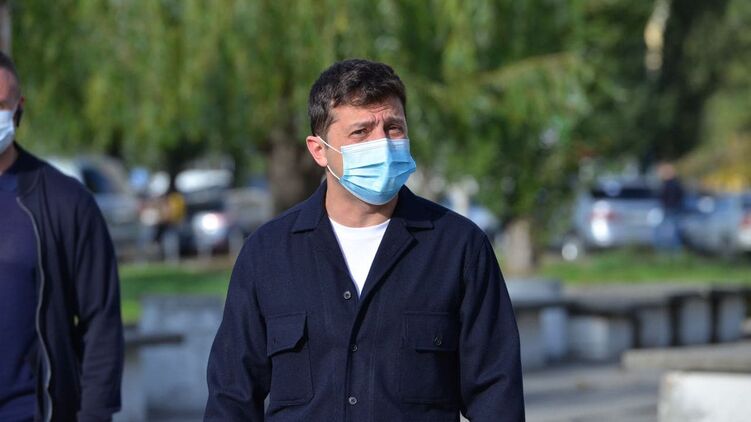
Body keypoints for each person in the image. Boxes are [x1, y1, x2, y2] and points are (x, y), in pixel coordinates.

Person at [205, 59, 524, 421]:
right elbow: (231, 396)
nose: (382, 144)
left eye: (393, 127)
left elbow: (496, 393)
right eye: (361, 132)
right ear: (319, 150)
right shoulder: (268, 253)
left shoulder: (459, 248)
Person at [0, 52, 123, 421]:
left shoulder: (67, 203)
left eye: (0, 104)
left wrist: (95, 414)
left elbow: (101, 322)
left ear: (18, 108)